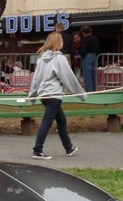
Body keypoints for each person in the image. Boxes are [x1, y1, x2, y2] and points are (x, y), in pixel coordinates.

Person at [27, 31, 85, 160]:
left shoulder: (41, 59)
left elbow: (36, 79)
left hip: (44, 96)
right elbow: (68, 77)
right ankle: (37, 150)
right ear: (59, 43)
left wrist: (32, 96)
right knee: (47, 123)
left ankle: (68, 147)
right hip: (54, 95)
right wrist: (81, 94)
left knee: (61, 120)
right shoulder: (60, 58)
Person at [79, 25, 100, 92]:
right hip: (95, 56)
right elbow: (98, 48)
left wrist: (81, 55)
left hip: (87, 56)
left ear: (83, 33)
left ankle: (89, 91)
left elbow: (83, 50)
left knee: (87, 75)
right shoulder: (95, 38)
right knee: (94, 74)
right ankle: (95, 90)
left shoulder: (85, 40)